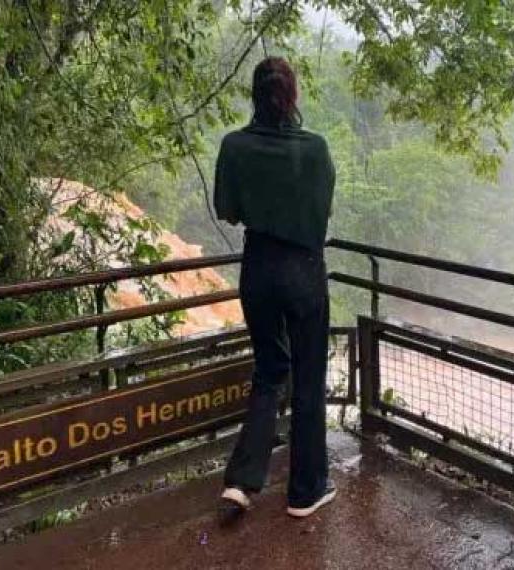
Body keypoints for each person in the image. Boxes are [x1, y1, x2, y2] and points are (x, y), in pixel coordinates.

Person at [213, 56, 336, 521]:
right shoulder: (316, 149)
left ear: (254, 95)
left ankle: (242, 483)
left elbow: (227, 209)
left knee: (269, 369)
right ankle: (306, 491)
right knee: (308, 376)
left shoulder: (234, 146)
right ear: (293, 96)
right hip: (304, 270)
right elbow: (322, 212)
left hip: (258, 267)